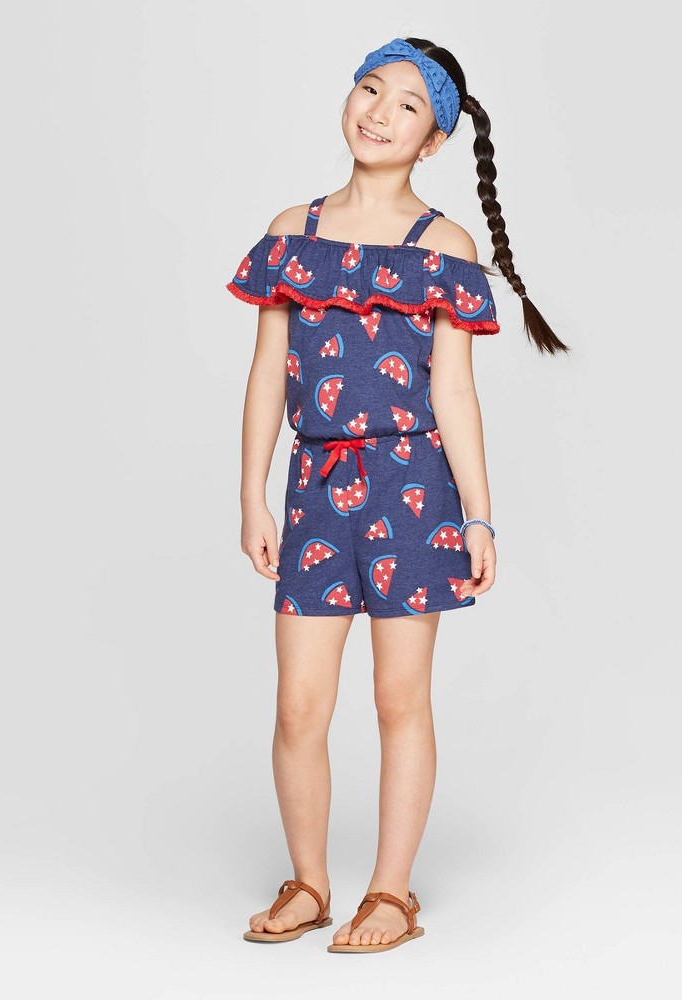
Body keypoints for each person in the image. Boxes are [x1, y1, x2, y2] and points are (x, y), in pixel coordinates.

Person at [226, 36, 568, 955]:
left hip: (412, 487)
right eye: (370, 89)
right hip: (315, 486)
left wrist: (480, 515)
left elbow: (454, 391)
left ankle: (391, 893)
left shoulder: (445, 247)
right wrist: (254, 496)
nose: (379, 112)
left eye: (408, 105)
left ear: (435, 139)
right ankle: (308, 883)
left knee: (397, 697)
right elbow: (266, 374)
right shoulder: (292, 231)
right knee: (299, 703)